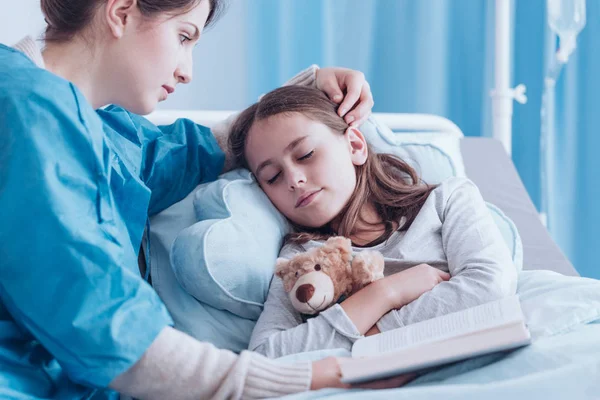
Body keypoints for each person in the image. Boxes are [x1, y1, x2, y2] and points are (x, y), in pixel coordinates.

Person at [0, 0, 388, 398]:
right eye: (184, 36)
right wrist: (296, 378)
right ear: (120, 12)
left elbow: (190, 152)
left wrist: (307, 91)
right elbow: (102, 325)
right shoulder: (28, 111)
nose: (187, 72)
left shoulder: (92, 125)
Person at [228, 85, 519, 358]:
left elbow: (490, 287)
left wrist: (369, 334)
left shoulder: (447, 201)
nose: (294, 180)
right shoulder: (299, 259)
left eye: (305, 154)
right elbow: (266, 356)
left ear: (355, 144)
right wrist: (386, 293)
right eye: (273, 177)